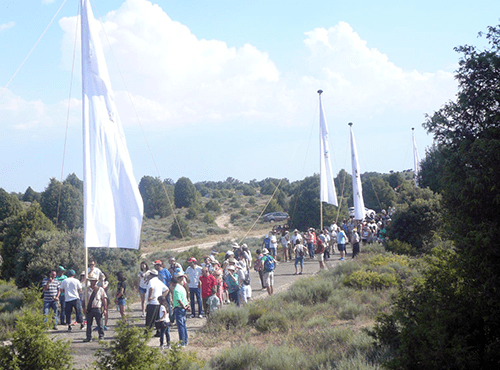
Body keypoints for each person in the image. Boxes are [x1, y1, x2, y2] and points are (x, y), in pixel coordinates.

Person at [84, 273, 108, 342]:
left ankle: (101, 336)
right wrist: (84, 308)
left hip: (98, 308)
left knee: (100, 323)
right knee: (89, 324)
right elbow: (83, 300)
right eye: (91, 280)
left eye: (94, 280)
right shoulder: (86, 290)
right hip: (90, 309)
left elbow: (104, 299)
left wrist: (105, 309)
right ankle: (88, 337)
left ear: (96, 281)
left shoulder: (100, 289)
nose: (92, 282)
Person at [145, 269, 169, 336]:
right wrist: (162, 297)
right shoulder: (159, 281)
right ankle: (159, 332)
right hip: (158, 302)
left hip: (152, 302)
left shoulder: (151, 281)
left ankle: (147, 333)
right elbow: (167, 289)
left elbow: (151, 288)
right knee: (157, 318)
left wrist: (150, 297)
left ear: (151, 275)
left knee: (149, 319)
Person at [171, 276, 189, 347]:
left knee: (180, 326)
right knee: (183, 325)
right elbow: (185, 297)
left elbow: (179, 300)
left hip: (179, 308)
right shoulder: (182, 287)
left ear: (172, 283)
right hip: (183, 308)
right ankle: (185, 340)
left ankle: (182, 342)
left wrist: (183, 306)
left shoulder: (176, 290)